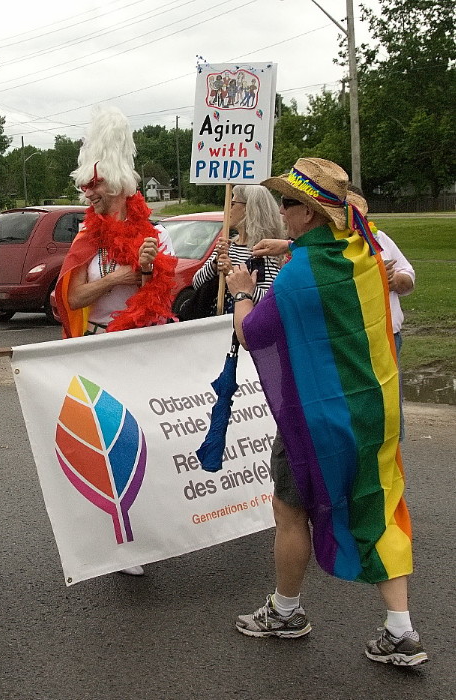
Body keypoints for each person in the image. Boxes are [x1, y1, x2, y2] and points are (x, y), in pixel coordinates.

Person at [225, 157, 427, 666]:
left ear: (312, 214)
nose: (284, 211)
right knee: (378, 506)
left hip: (313, 419)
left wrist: (243, 294)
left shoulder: (298, 280)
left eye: (290, 204)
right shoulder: (363, 255)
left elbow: (253, 334)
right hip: (373, 411)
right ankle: (401, 630)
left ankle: (286, 610)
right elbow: (332, 254)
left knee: (290, 511)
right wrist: (288, 247)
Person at [54, 105, 176, 576]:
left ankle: (147, 525)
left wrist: (149, 268)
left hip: (143, 346)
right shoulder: (87, 235)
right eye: (88, 186)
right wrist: (121, 275)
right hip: (102, 346)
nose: (91, 194)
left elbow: (163, 292)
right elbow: (74, 294)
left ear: (118, 186)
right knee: (110, 440)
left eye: (97, 186)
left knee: (149, 436)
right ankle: (118, 535)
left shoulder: (154, 234)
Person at [348, 190, 415, 440]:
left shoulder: (380, 238)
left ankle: (390, 467)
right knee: (360, 415)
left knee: (389, 411)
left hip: (389, 339)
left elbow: (409, 276)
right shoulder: (334, 245)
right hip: (355, 342)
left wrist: (394, 280)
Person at [188, 184, 283, 316]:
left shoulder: (263, 251)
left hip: (244, 329)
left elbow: (270, 301)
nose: (227, 209)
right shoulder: (229, 246)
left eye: (232, 203)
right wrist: (215, 263)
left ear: (248, 209)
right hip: (216, 326)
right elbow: (196, 282)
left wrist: (232, 274)